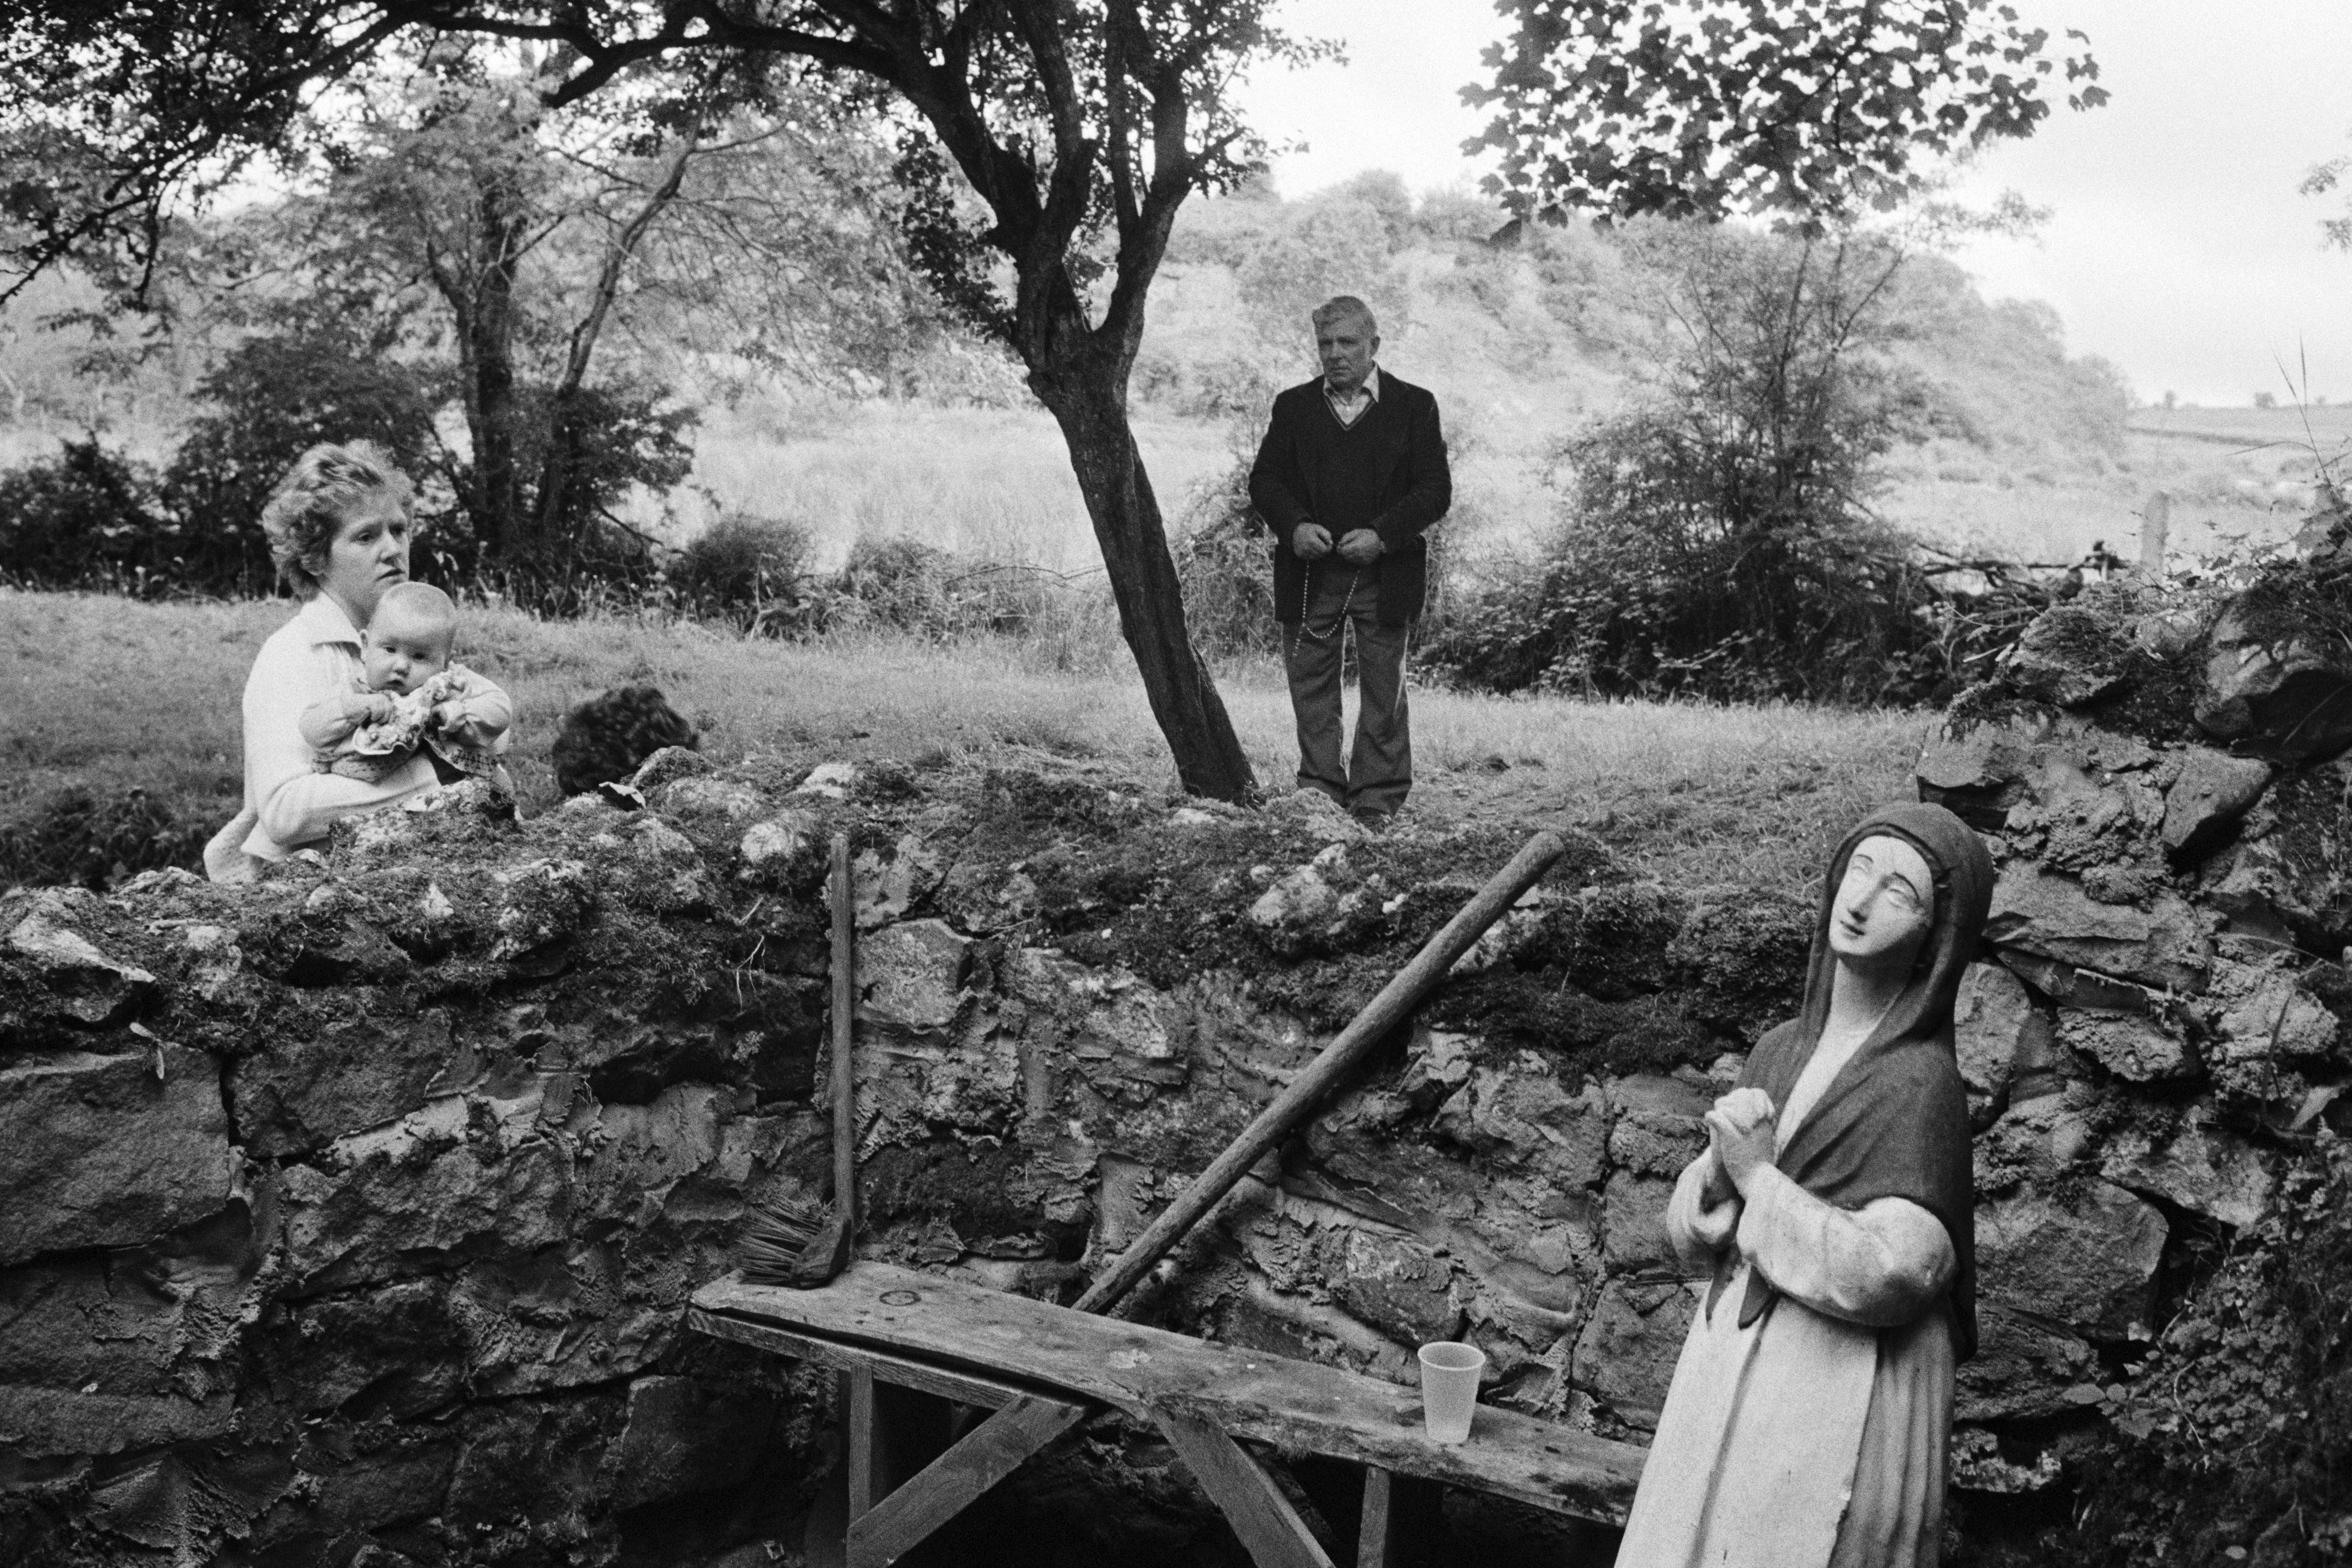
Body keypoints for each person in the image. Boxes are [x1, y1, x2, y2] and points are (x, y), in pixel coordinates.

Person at [1615, 802, 1994, 1568]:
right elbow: (1692, 1241)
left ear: (1936, 935)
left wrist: (1759, 1176)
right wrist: (1716, 1180)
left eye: (1900, 891)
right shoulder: (1779, 1049)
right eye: (1859, 869)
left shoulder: (1920, 1084)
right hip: (1724, 1377)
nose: (1861, 901)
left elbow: (1899, 1271)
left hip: (1830, 1395)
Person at [203, 442, 510, 882]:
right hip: (304, 893)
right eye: (366, 536)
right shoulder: (294, 653)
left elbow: (495, 739)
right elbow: (285, 814)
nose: (392, 550)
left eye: (399, 531)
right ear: (315, 557)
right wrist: (441, 778)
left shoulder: (413, 641)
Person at [1248, 295, 1450, 824]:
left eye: (1346, 343)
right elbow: (1264, 481)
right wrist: (1294, 527)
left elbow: (1434, 490)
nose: (1334, 355)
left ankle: (1376, 802)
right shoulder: (1293, 407)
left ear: (1373, 346)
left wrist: (1382, 535)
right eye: (1324, 344)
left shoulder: (1413, 405)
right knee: (1311, 685)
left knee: (1384, 686)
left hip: (1386, 573)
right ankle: (1318, 794)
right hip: (1311, 574)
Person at [298, 580, 513, 786]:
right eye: (390, 649)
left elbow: (500, 706)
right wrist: (350, 711)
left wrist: (453, 714)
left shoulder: (449, 682)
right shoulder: (357, 688)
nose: (401, 666)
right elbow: (311, 729)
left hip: (463, 789)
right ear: (365, 646)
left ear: (445, 662)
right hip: (372, 795)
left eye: (419, 656)